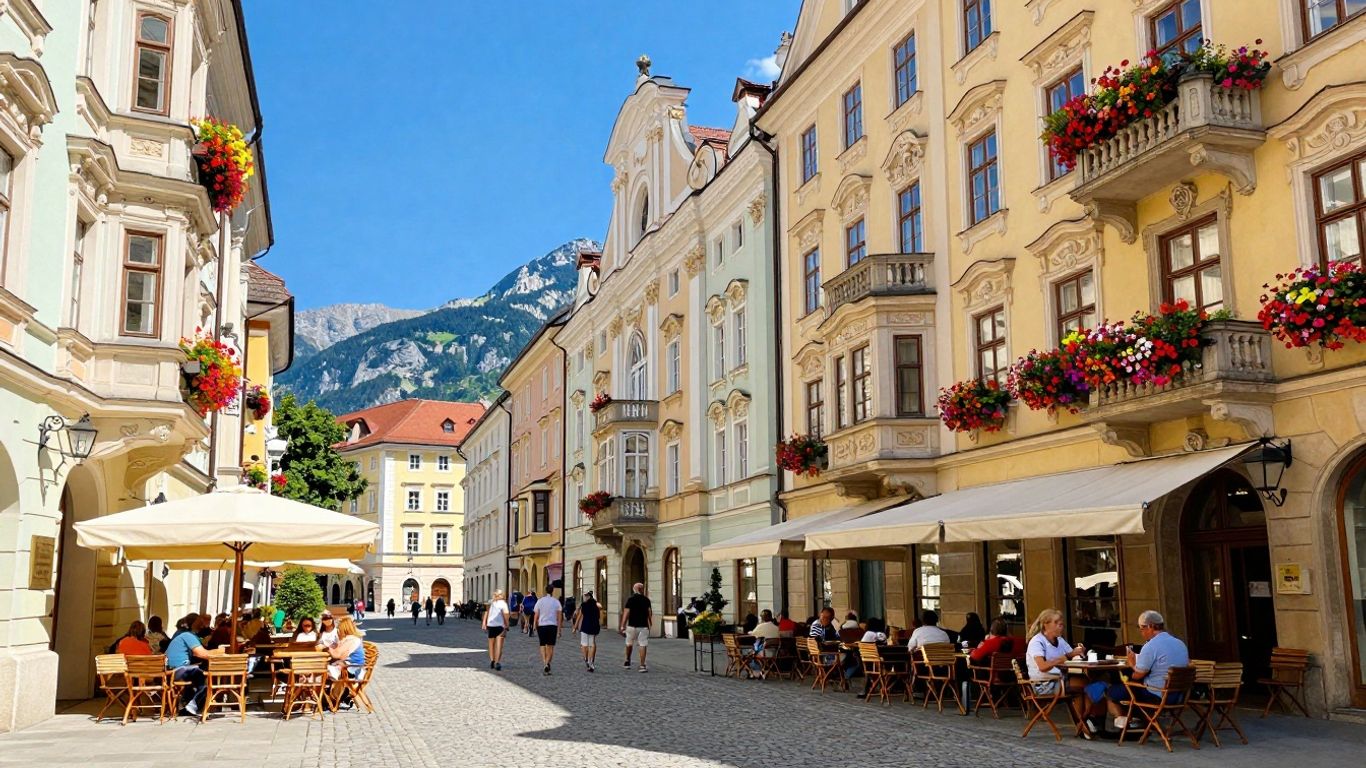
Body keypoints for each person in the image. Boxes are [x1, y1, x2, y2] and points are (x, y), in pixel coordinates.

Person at [1090, 610, 1190, 735]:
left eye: (1141, 628)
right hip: (1178, 696)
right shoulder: (1180, 643)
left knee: (1111, 691)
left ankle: (1125, 724)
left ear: (1150, 626)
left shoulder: (1151, 646)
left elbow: (1137, 675)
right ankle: (1139, 721)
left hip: (1157, 694)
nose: (1141, 632)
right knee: (1127, 690)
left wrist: (1132, 663)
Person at [1025, 608, 1095, 737]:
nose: (1060, 626)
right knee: (1082, 687)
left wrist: (1078, 651)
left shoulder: (1060, 640)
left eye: (1061, 623)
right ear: (1046, 624)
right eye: (1056, 623)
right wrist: (1060, 659)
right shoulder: (1037, 642)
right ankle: (1082, 722)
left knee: (1090, 684)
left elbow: (1069, 654)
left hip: (1060, 679)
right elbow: (1042, 666)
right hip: (1044, 684)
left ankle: (1084, 721)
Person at [165, 613, 211, 716]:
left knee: (199, 675)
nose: (203, 624)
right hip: (177, 670)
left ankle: (190, 704)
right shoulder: (187, 635)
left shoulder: (182, 634)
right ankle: (192, 706)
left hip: (170, 670)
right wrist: (221, 653)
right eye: (200, 621)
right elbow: (201, 653)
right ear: (195, 623)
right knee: (206, 678)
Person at [325, 616, 366, 709]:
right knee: (321, 671)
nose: (338, 631)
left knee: (319, 672)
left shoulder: (351, 639)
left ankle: (327, 699)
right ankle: (333, 698)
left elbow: (337, 655)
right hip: (351, 668)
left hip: (352, 671)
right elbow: (342, 655)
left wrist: (328, 647)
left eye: (339, 629)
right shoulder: (351, 639)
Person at [619, 582, 653, 672]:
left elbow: (626, 613)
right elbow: (649, 613)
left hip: (632, 625)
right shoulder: (646, 600)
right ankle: (642, 665)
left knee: (629, 643)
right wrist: (650, 622)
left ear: (634, 590)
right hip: (643, 625)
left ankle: (627, 660)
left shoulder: (631, 599)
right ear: (641, 589)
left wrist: (622, 625)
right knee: (642, 644)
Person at [533, 586, 563, 675]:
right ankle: (547, 663)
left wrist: (534, 625)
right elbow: (559, 617)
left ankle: (545, 662)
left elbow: (536, 614)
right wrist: (559, 630)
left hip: (542, 625)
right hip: (552, 625)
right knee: (550, 646)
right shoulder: (556, 602)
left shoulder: (540, 601)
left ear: (545, 591)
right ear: (552, 591)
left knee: (542, 645)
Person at [573, 591, 601, 672]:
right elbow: (599, 612)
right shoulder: (596, 605)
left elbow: (579, 617)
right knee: (592, 644)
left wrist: (575, 627)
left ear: (586, 597)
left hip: (585, 626)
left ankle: (586, 659)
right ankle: (591, 661)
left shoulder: (584, 605)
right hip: (594, 626)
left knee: (584, 644)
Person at [483, 589, 510, 671]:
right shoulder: (503, 604)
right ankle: (497, 662)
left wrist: (484, 623)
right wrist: (507, 625)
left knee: (491, 644)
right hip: (500, 626)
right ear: (501, 595)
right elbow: (506, 614)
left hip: (491, 625)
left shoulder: (490, 602)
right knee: (499, 645)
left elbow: (486, 612)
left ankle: (492, 660)